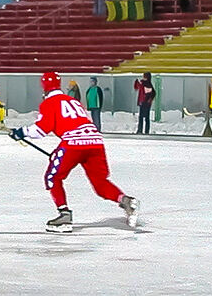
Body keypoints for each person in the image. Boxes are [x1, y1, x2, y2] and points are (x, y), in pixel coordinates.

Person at [10, 71, 139, 233]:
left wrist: (20, 132)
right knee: (100, 182)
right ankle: (126, 201)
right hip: (95, 141)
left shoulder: (49, 103)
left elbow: (41, 130)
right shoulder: (73, 101)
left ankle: (64, 215)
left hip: (73, 143)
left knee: (53, 177)